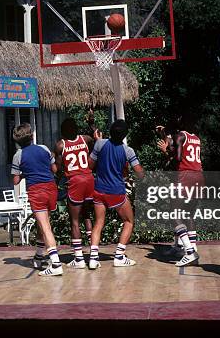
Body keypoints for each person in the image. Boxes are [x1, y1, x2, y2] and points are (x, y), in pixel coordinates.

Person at [87, 119, 145, 270]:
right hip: (116, 192)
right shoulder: (128, 150)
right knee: (129, 221)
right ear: (125, 134)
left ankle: (93, 259)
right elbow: (139, 173)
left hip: (99, 190)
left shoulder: (99, 144)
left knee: (98, 223)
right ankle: (119, 256)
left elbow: (89, 165)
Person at [10, 123, 62, 276]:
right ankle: (39, 256)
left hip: (36, 190)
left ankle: (56, 264)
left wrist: (26, 172)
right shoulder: (44, 148)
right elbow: (54, 169)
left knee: (45, 227)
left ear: (17, 141)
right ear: (32, 136)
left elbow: (15, 181)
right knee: (43, 224)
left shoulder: (18, 155)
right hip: (51, 188)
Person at [155, 116, 204, 267]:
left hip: (185, 177)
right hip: (199, 176)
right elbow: (178, 148)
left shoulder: (179, 135)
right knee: (188, 213)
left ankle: (189, 251)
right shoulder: (196, 138)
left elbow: (177, 157)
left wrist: (165, 151)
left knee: (174, 213)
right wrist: (165, 137)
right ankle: (191, 246)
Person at [54, 118, 98, 269]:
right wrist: (91, 123)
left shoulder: (61, 145)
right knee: (87, 215)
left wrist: (55, 184)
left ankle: (79, 258)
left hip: (75, 182)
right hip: (89, 179)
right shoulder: (85, 139)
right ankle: (94, 255)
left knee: (74, 221)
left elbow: (59, 169)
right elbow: (96, 138)